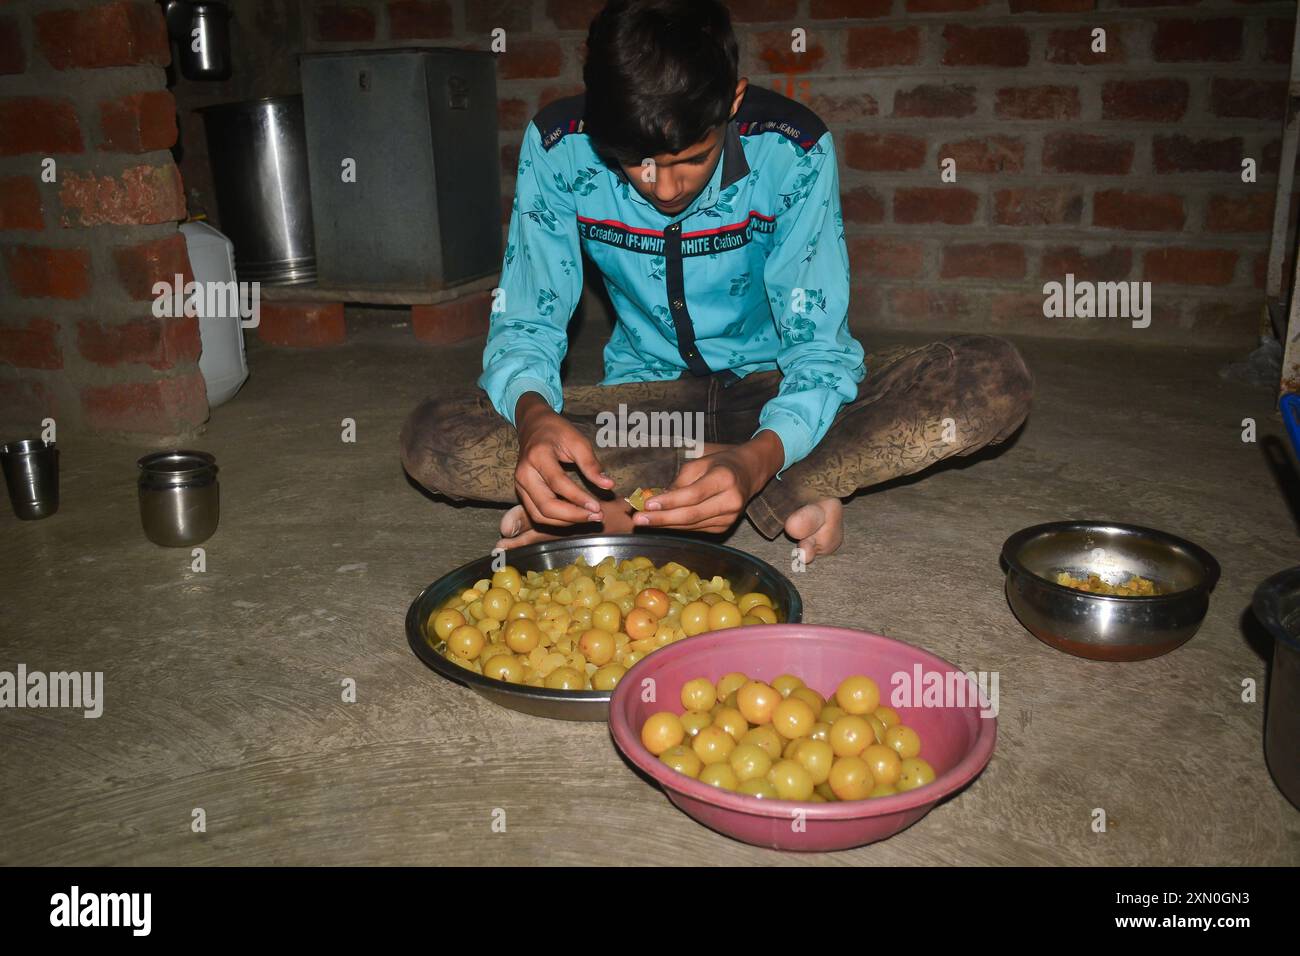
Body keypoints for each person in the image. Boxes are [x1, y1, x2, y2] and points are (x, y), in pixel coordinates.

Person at [401, 0, 1033, 563]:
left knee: (987, 380)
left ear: (732, 101)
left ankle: (644, 502)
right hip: (646, 407)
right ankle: (787, 485)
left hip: (771, 390)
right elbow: (527, 324)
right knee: (436, 437)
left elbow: (817, 350)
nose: (665, 189)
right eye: (636, 166)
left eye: (691, 160)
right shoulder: (559, 146)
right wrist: (537, 419)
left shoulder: (793, 148)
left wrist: (757, 453)